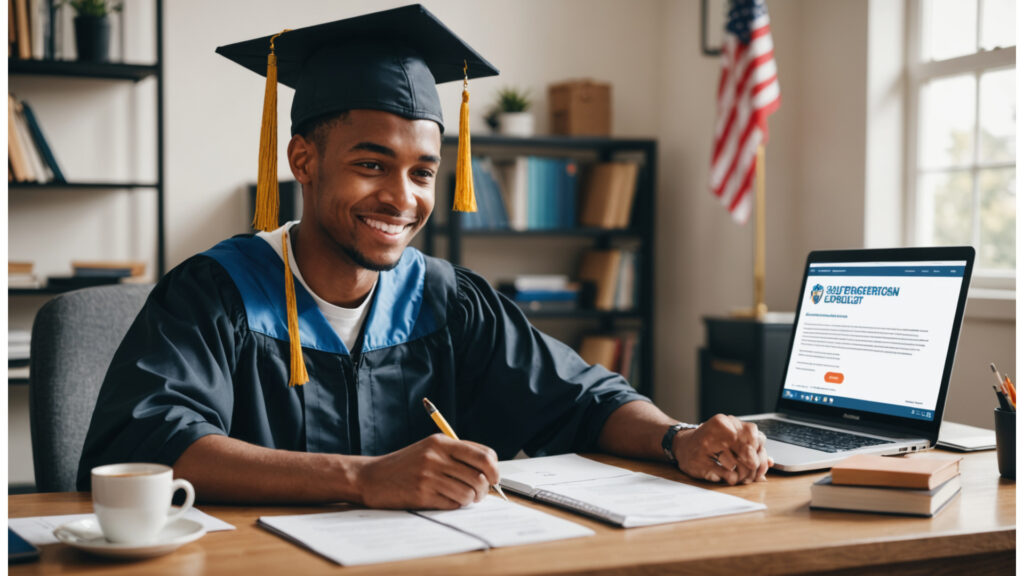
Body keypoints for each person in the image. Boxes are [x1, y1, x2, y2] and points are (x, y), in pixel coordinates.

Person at [77, 4, 770, 508]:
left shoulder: (444, 299)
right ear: (303, 159)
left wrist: (675, 436)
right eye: (372, 164)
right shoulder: (217, 293)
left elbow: (581, 398)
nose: (400, 198)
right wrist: (362, 477)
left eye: (423, 172)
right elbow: (147, 448)